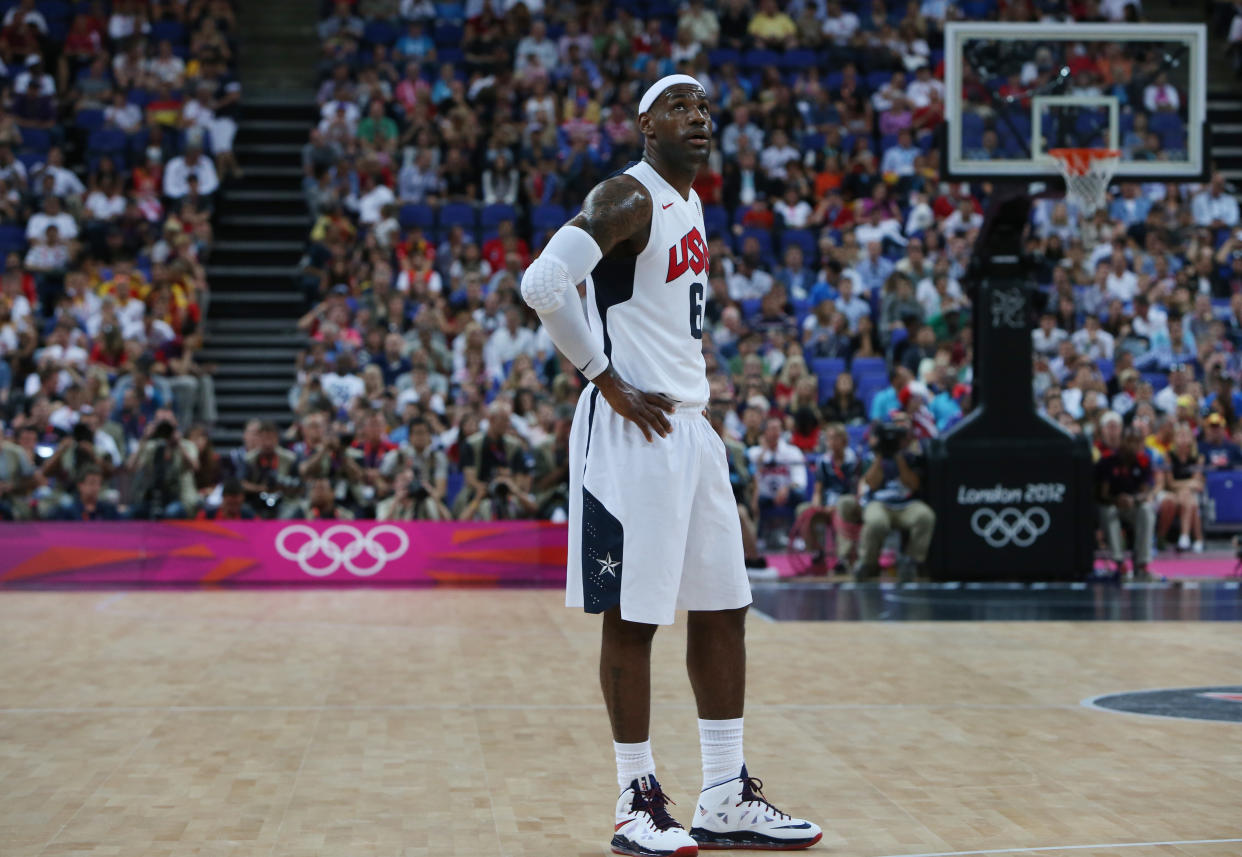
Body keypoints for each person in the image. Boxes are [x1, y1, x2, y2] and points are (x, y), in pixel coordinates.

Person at [519, 75, 821, 855]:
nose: (699, 117)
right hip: (630, 432)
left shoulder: (691, 205)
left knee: (724, 604)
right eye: (681, 106)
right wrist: (603, 377)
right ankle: (635, 798)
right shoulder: (629, 196)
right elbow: (542, 283)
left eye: (707, 108)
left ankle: (724, 793)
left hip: (691, 428)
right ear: (645, 122)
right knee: (635, 615)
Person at [855, 411, 935, 581]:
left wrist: (899, 457)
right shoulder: (873, 456)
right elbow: (872, 484)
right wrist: (881, 456)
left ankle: (911, 561)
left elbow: (913, 484)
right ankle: (868, 564)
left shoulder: (914, 457)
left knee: (925, 516)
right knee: (876, 522)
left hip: (906, 503)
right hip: (879, 502)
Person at [1095, 413, 1155, 579]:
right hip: (1111, 504)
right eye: (1130, 441)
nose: (1134, 446)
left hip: (1132, 506)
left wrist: (1133, 500)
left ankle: (1142, 563)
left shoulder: (1144, 461)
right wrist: (1117, 500)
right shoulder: (1108, 461)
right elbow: (1102, 494)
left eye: (1138, 442)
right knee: (1109, 512)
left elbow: (1145, 491)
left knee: (1147, 510)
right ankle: (1119, 562)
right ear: (1123, 441)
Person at [1163, 422, 1205, 552]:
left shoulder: (1198, 457)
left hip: (1191, 493)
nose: (1183, 438)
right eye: (1180, 435)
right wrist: (1187, 484)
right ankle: (1197, 539)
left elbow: (1197, 481)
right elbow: (1170, 483)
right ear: (1174, 438)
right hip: (1173, 492)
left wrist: (1187, 486)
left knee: (1190, 498)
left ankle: (1185, 536)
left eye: (1186, 435)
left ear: (1192, 439)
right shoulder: (1169, 456)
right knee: (1190, 499)